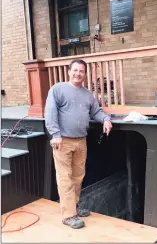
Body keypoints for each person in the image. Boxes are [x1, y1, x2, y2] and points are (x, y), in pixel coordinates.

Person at [44, 59, 112, 229]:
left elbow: (95, 111)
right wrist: (55, 134)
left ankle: (72, 207)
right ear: (69, 71)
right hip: (62, 141)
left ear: (84, 74)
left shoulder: (87, 94)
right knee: (65, 178)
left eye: (81, 71)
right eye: (75, 70)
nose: (78, 74)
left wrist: (105, 119)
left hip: (81, 141)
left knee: (78, 176)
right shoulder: (58, 89)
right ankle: (68, 215)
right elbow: (50, 112)